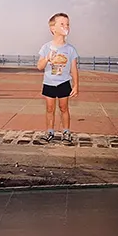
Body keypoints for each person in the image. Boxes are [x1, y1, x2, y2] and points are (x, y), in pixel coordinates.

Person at [37, 13, 80, 142]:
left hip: (64, 82)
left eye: (67, 24)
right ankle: (50, 132)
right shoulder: (46, 47)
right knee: (49, 109)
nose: (65, 26)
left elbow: (73, 69)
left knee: (64, 108)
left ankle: (66, 132)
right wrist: (47, 58)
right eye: (62, 24)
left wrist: (76, 85)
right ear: (53, 28)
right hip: (49, 83)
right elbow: (39, 66)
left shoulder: (70, 49)